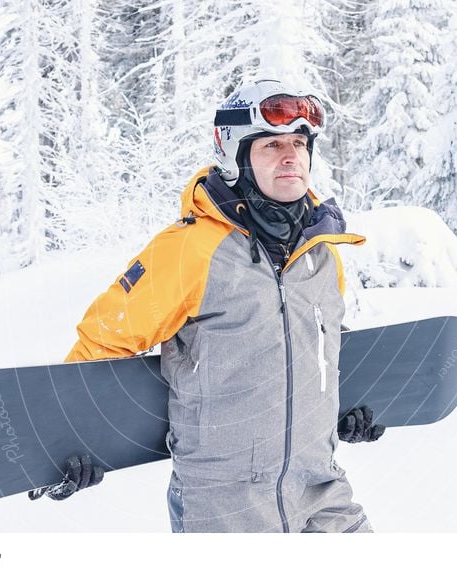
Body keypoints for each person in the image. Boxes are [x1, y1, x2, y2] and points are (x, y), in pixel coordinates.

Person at [32, 79, 385, 532]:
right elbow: (105, 338)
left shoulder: (322, 253)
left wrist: (349, 411)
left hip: (320, 490)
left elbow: (316, 351)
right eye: (272, 144)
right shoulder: (190, 251)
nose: (291, 155)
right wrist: (63, 445)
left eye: (300, 142)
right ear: (235, 156)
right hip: (223, 505)